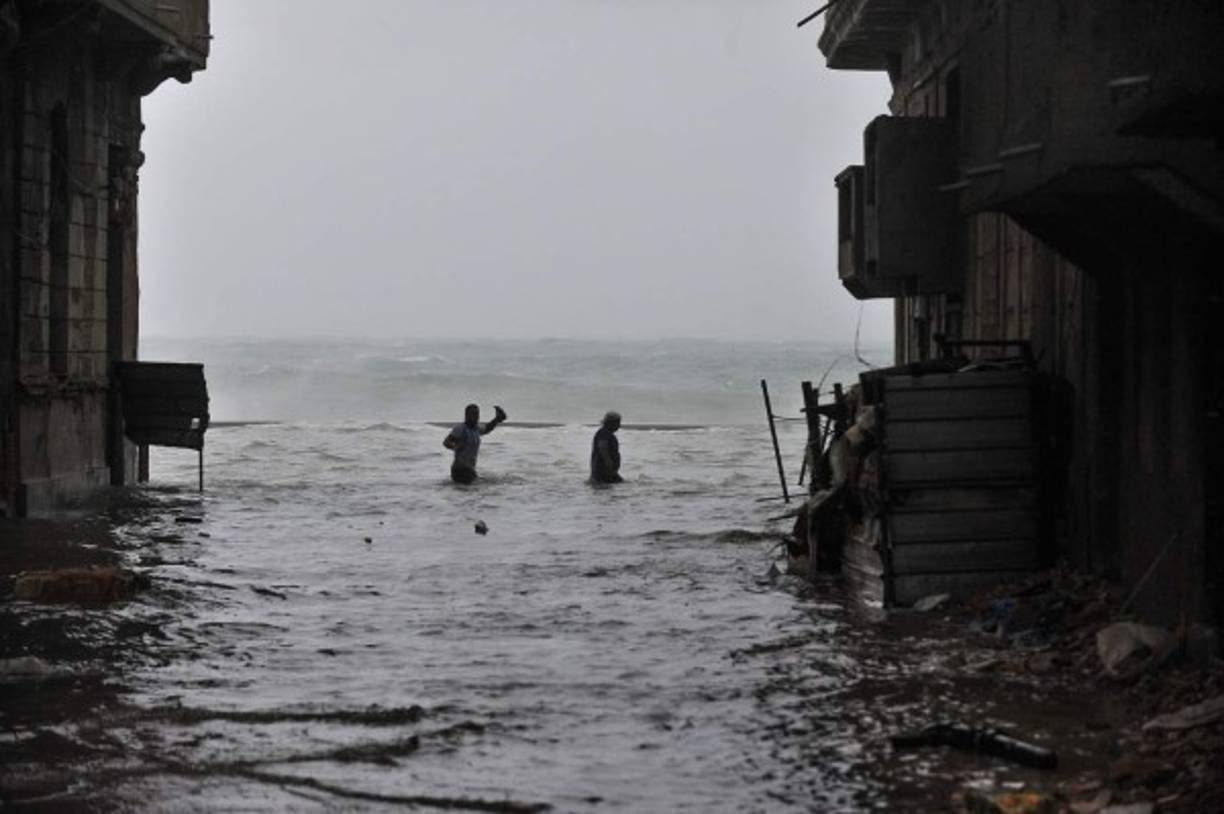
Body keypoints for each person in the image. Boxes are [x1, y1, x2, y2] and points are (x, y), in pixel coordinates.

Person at [443, 403, 507, 484]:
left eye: (477, 414)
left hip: (470, 469)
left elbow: (487, 428)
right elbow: (446, 442)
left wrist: (497, 419)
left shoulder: (476, 428)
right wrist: (456, 446)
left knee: (487, 485)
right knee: (478, 489)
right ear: (466, 415)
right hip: (460, 470)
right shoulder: (461, 429)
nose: (476, 416)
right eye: (473, 414)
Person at [590, 411, 623, 484]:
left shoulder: (606, 433)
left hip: (606, 471)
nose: (619, 426)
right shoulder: (604, 433)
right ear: (610, 423)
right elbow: (602, 447)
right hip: (603, 471)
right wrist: (608, 462)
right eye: (617, 423)